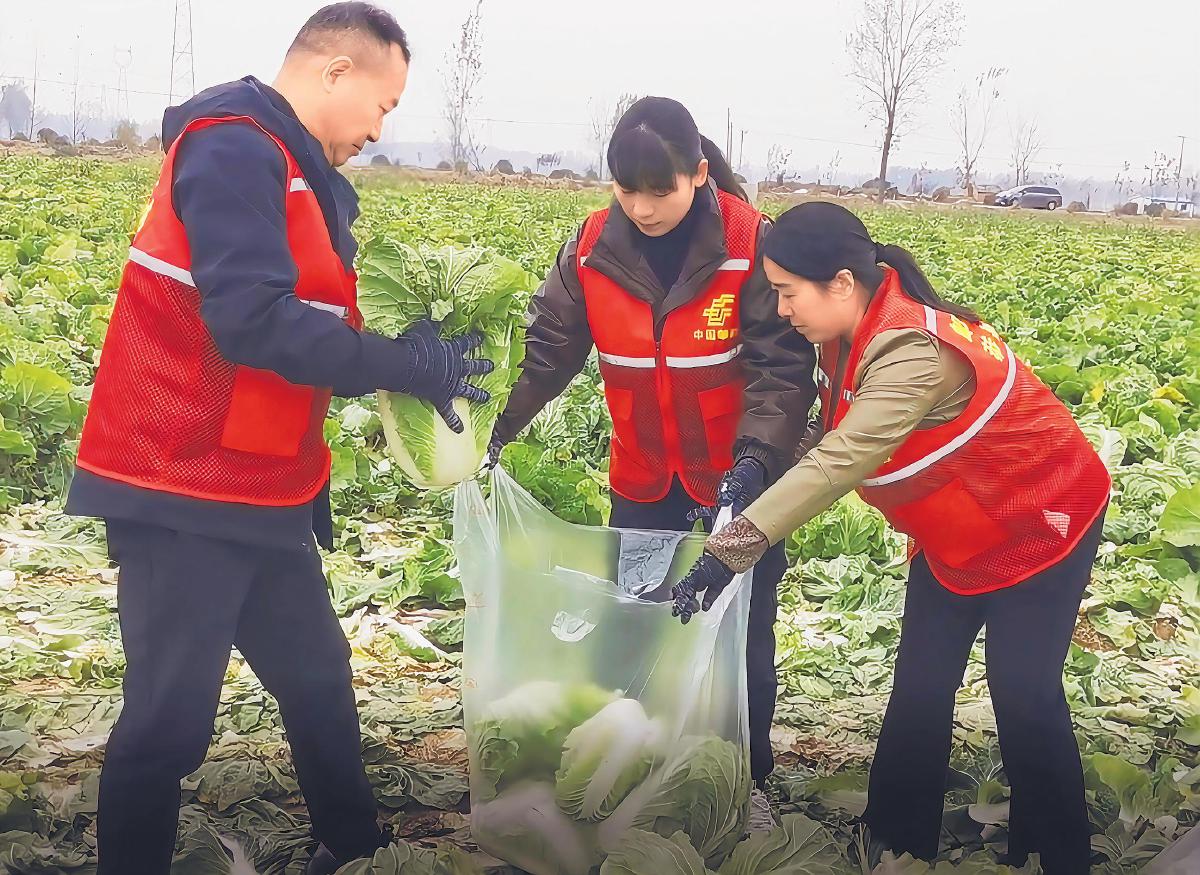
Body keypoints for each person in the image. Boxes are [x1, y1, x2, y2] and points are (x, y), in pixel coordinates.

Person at [65, 5, 494, 874]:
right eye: (383, 105)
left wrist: (404, 352)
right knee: (168, 721)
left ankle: (355, 848)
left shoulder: (294, 166)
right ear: (336, 73)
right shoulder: (233, 147)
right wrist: (402, 365)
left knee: (317, 676)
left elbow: (312, 321)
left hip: (260, 485)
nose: (380, 130)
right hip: (181, 481)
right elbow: (253, 322)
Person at [670, 201, 1111, 874]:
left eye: (787, 292)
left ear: (841, 283)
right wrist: (756, 474)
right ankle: (897, 842)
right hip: (959, 528)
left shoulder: (913, 353)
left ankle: (1057, 853)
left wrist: (730, 549)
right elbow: (833, 429)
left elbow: (842, 458)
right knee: (921, 682)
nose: (781, 309)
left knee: (1023, 692)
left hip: (1042, 519)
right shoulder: (849, 333)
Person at [489, 97, 816, 831]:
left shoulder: (748, 244)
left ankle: (744, 780)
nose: (641, 208)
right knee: (630, 630)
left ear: (698, 173)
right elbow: (547, 351)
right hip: (643, 479)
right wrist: (495, 427)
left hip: (739, 481)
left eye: (659, 190)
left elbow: (782, 372)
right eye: (626, 189)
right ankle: (624, 774)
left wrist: (754, 467)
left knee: (742, 632)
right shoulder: (590, 250)